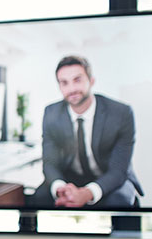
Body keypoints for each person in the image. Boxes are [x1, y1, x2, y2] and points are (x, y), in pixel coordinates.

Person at [31, 55, 143, 208]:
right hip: (71, 178)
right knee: (39, 197)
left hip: (109, 177)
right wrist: (60, 189)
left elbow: (119, 170)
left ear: (91, 81)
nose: (71, 89)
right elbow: (49, 163)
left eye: (77, 80)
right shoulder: (51, 113)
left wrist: (87, 193)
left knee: (119, 202)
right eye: (64, 83)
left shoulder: (120, 113)